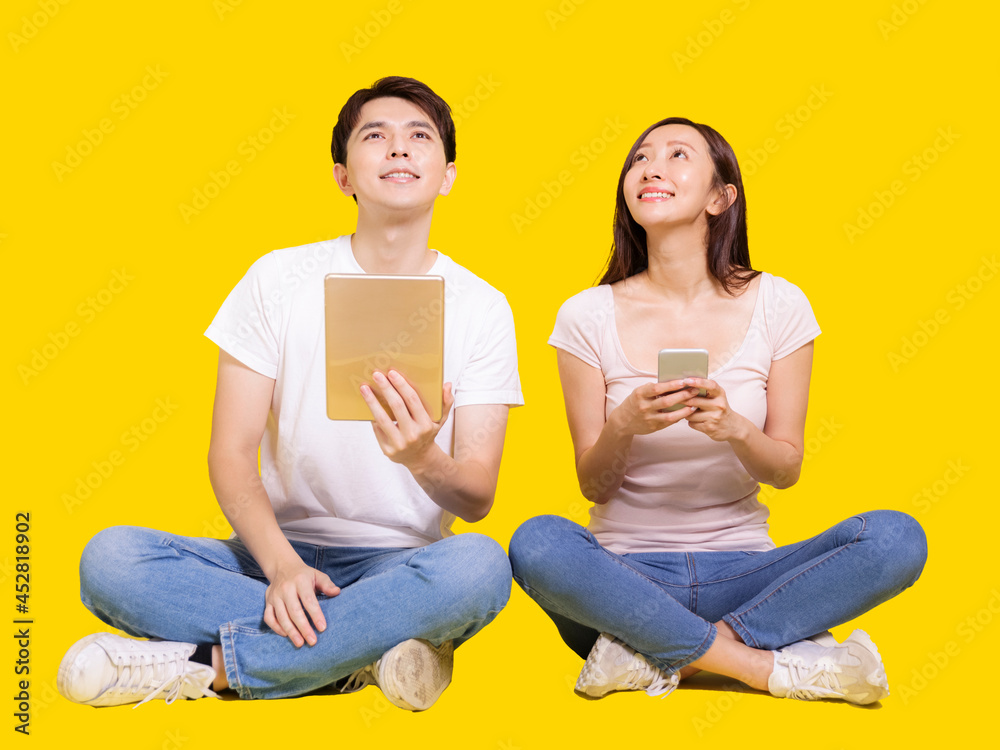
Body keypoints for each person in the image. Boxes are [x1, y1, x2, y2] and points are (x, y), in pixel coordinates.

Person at [57, 76, 522, 710]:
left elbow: (476, 499)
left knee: (481, 568)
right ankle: (366, 649)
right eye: (375, 136)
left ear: (447, 175)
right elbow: (232, 452)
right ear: (342, 175)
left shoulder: (484, 307)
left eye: (420, 137)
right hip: (268, 553)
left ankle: (208, 667)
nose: (399, 149)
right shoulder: (276, 278)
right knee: (110, 559)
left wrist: (421, 457)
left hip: (403, 564)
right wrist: (281, 567)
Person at [508, 117, 927, 705]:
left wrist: (734, 430)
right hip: (625, 581)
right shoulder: (585, 315)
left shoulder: (778, 302)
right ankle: (765, 667)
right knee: (537, 544)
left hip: (749, 579)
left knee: (895, 538)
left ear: (719, 197)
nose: (650, 167)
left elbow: (784, 470)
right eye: (639, 159)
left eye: (677, 155)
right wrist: (625, 424)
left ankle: (659, 655)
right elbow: (593, 486)